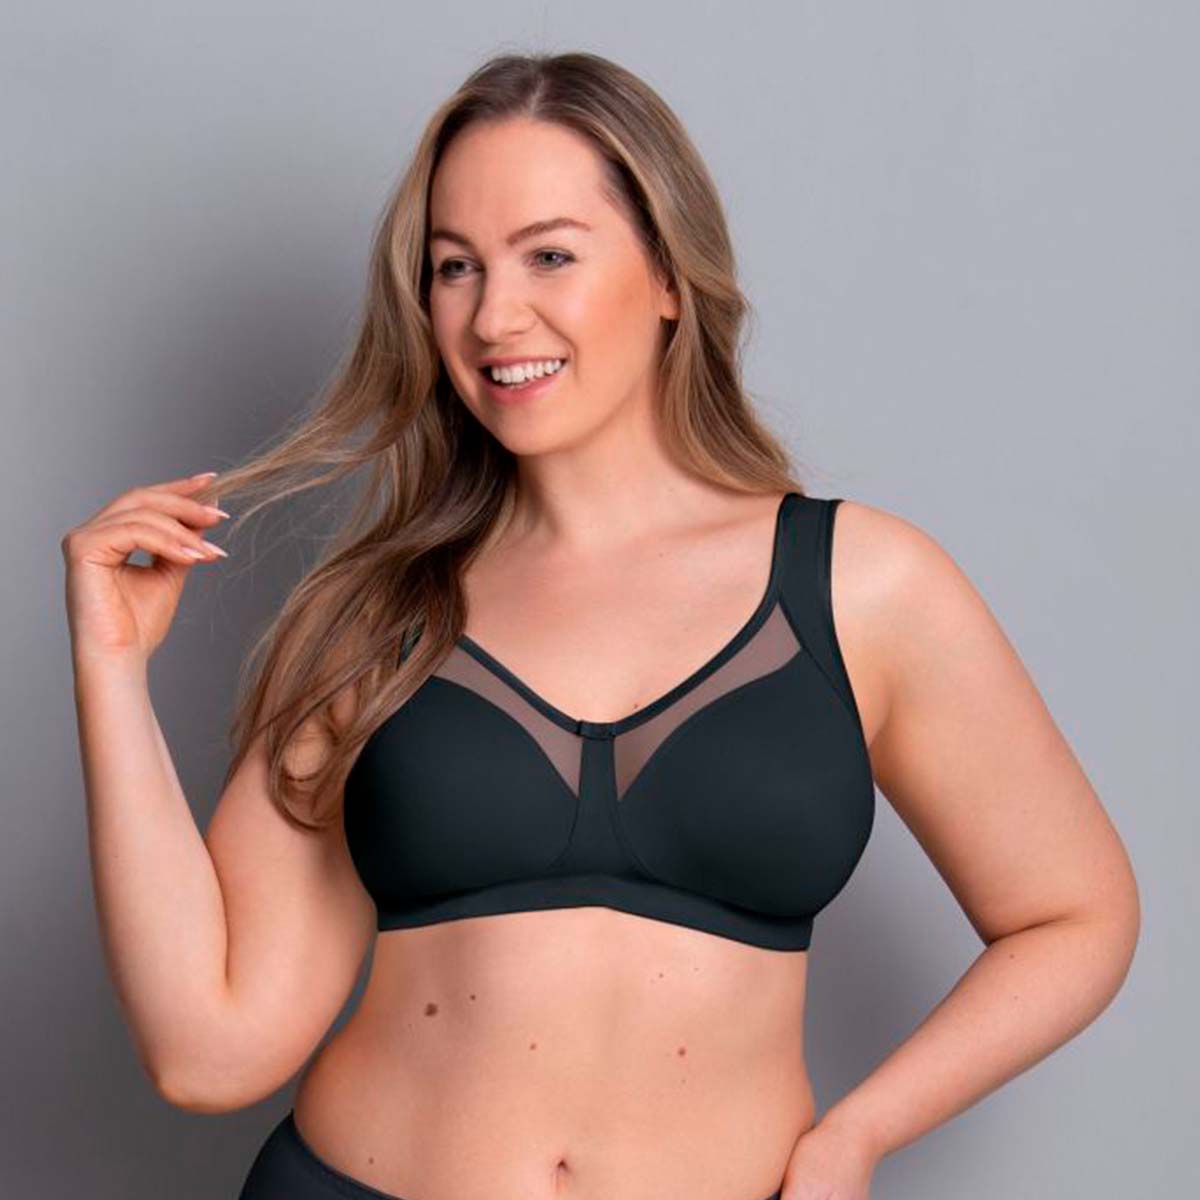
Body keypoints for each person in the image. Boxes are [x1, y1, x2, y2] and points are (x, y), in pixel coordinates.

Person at [62, 50, 1140, 1200]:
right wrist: (111, 670)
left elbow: (1075, 915)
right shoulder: (376, 619)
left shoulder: (862, 587)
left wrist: (858, 1133)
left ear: (670, 275)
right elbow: (210, 1051)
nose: (495, 316)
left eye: (550, 255)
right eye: (455, 267)